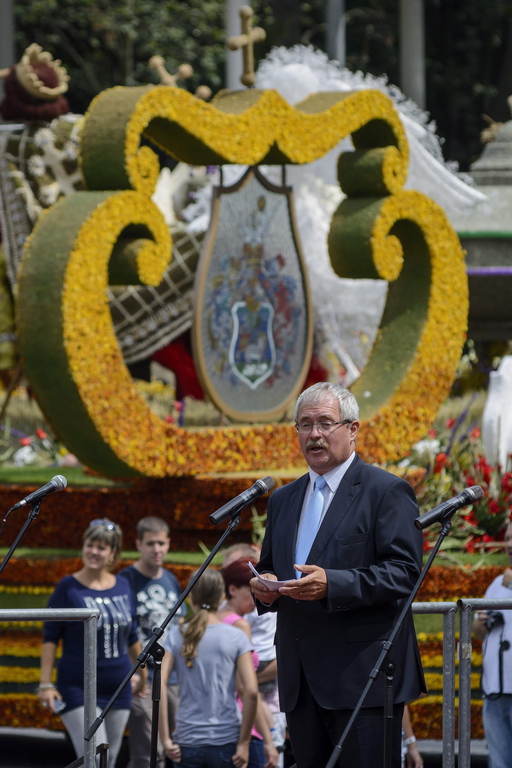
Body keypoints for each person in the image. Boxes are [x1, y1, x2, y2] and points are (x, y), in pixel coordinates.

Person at [250, 381, 426, 768]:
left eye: (325, 423)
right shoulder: (282, 499)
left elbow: (405, 573)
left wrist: (333, 583)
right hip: (300, 680)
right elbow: (270, 565)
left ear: (352, 429)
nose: (314, 434)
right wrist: (262, 585)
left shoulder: (386, 491)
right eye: (305, 424)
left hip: (361, 679)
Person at [37, 519, 145, 768]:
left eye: (101, 547)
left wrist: (143, 672)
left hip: (119, 688)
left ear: (112, 554)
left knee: (109, 760)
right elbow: (50, 637)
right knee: (93, 761)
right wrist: (45, 683)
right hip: (78, 688)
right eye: (90, 545)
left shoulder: (123, 586)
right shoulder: (68, 587)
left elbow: (131, 634)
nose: (94, 552)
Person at [159, 568, 259, 768]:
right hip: (227, 739)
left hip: (186, 740)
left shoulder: (177, 635)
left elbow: (159, 685)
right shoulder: (236, 636)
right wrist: (244, 744)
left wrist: (165, 738)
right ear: (221, 596)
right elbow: (251, 692)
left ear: (191, 598)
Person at [119, 516, 186, 768]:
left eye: (161, 543)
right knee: (149, 753)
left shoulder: (170, 579)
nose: (156, 549)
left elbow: (181, 626)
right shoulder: (126, 580)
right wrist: (135, 673)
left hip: (174, 678)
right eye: (150, 543)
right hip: (143, 677)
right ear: (138, 544)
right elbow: (123, 631)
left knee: (178, 749)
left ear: (168, 543)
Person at [222, 545, 287, 767]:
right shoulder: (238, 622)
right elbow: (248, 691)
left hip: (267, 688)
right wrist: (269, 740)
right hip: (246, 713)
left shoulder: (252, 609)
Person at [472, 520, 512, 768]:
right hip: (495, 692)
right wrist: (482, 622)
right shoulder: (497, 584)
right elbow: (477, 632)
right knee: (498, 763)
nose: (509, 544)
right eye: (507, 538)